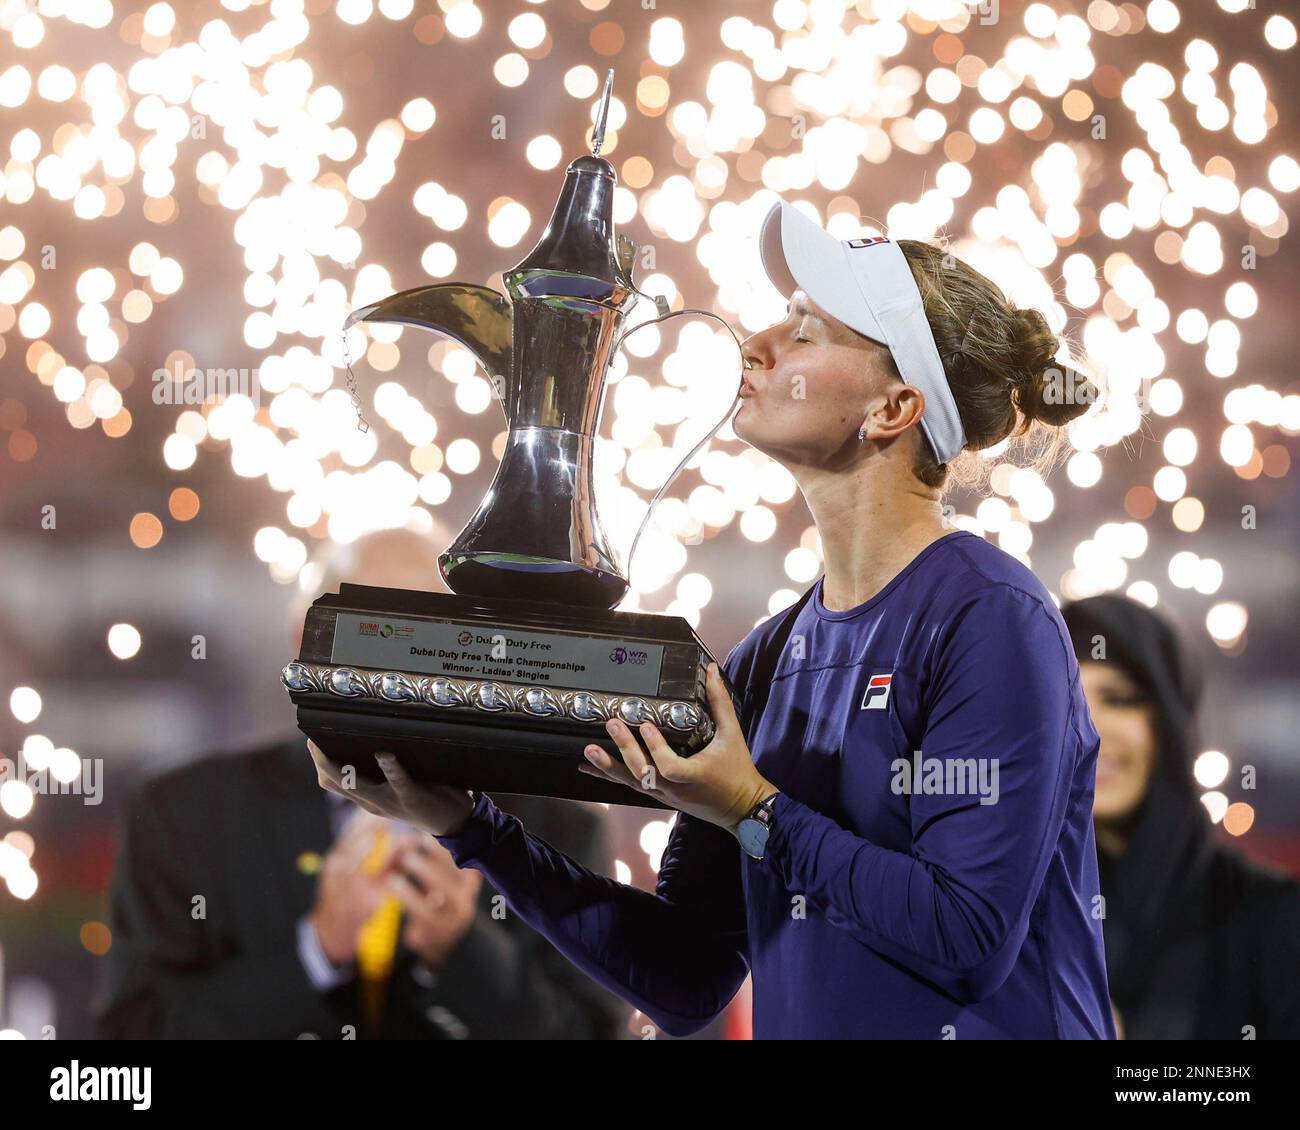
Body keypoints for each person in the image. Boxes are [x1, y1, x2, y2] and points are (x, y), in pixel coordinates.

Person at [310, 199, 1115, 1039]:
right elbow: (689, 975)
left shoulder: (991, 616)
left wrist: (753, 810)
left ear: (892, 409)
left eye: (805, 331)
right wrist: (471, 826)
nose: (755, 344)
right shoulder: (769, 659)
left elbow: (966, 936)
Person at [98, 527, 628, 1040]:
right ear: (305, 645)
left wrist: (467, 951)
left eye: (440, 636)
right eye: (375, 632)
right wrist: (318, 948)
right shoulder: (185, 815)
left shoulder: (561, 836)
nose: (406, 670)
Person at [1063, 594, 1300, 1039]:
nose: (1088, 728)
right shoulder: (1003, 914)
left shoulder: (1270, 918)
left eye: (1119, 698)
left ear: (1169, 722)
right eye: (1067, 699)